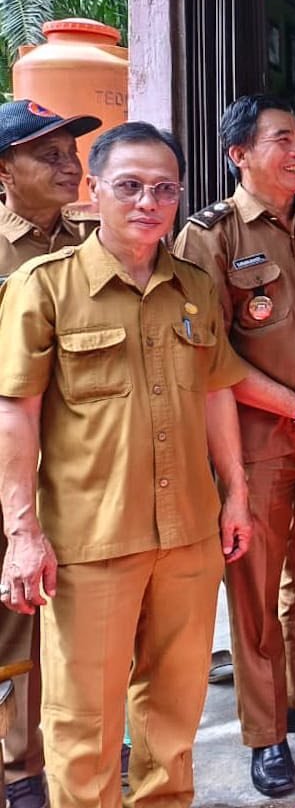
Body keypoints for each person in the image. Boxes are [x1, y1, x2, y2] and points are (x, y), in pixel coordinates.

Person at [0, 122, 251, 808]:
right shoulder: (44, 287)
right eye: (130, 186)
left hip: (188, 537)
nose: (148, 201)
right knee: (85, 724)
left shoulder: (194, 288)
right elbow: (14, 412)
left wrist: (236, 494)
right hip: (89, 543)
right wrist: (22, 534)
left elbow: (217, 392)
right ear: (95, 191)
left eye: (164, 188)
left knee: (174, 715)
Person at [173, 94, 295, 798]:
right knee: (256, 590)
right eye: (282, 139)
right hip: (258, 440)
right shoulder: (212, 236)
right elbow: (207, 358)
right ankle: (266, 733)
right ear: (239, 155)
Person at [0, 98, 101, 808]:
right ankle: (21, 767)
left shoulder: (92, 238)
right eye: (48, 154)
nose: (70, 165)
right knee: (15, 622)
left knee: (79, 611)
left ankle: (75, 743)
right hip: (11, 464)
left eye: (72, 151)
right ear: (4, 169)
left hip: (83, 461)